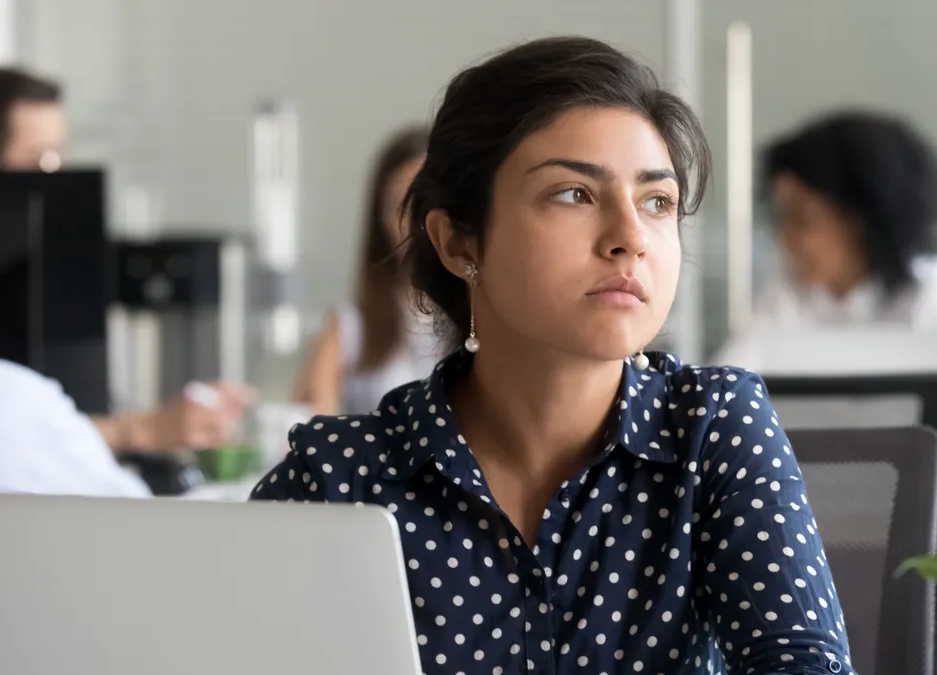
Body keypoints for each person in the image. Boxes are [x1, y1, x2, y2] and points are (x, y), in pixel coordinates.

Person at [252, 37, 852, 674]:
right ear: (458, 242)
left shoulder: (711, 428)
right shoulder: (339, 480)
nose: (630, 239)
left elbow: (802, 663)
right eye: (574, 194)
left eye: (657, 202)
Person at [0, 66, 250, 489]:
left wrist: (147, 429)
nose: (58, 172)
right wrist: (142, 431)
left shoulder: (38, 270)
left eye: (60, 154)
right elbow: (5, 425)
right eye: (39, 159)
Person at [717, 110, 937, 427]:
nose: (786, 239)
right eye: (782, 219)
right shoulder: (788, 297)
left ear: (859, 222)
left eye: (802, 220)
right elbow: (723, 391)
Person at [292, 127, 443, 415]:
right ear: (379, 217)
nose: (413, 222)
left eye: (426, 204)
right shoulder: (351, 324)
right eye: (399, 205)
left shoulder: (484, 314)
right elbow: (305, 421)